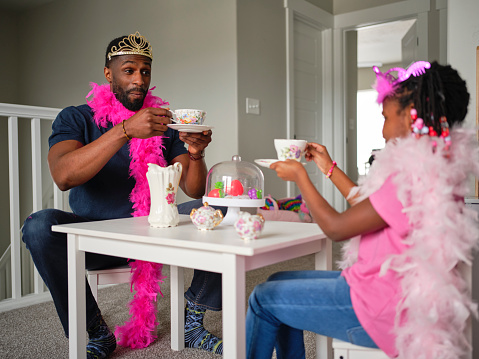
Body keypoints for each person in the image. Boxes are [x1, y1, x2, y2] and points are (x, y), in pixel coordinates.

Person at [245, 61, 479, 359]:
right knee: (277, 281)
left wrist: (300, 177)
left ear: (409, 116)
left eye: (385, 117)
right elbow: (367, 204)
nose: (382, 130)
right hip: (388, 293)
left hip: (378, 311)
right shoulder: (433, 168)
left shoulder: (410, 178)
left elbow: (336, 228)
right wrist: (327, 168)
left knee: (262, 300)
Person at [22, 32, 224, 359]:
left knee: (218, 205)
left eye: (145, 71)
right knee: (37, 226)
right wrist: (126, 130)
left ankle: (193, 321)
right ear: (108, 74)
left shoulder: (162, 123)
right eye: (129, 70)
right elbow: (63, 176)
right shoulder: (76, 118)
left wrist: (196, 152)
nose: (139, 80)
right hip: (95, 239)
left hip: (156, 233)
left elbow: (194, 189)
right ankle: (96, 332)